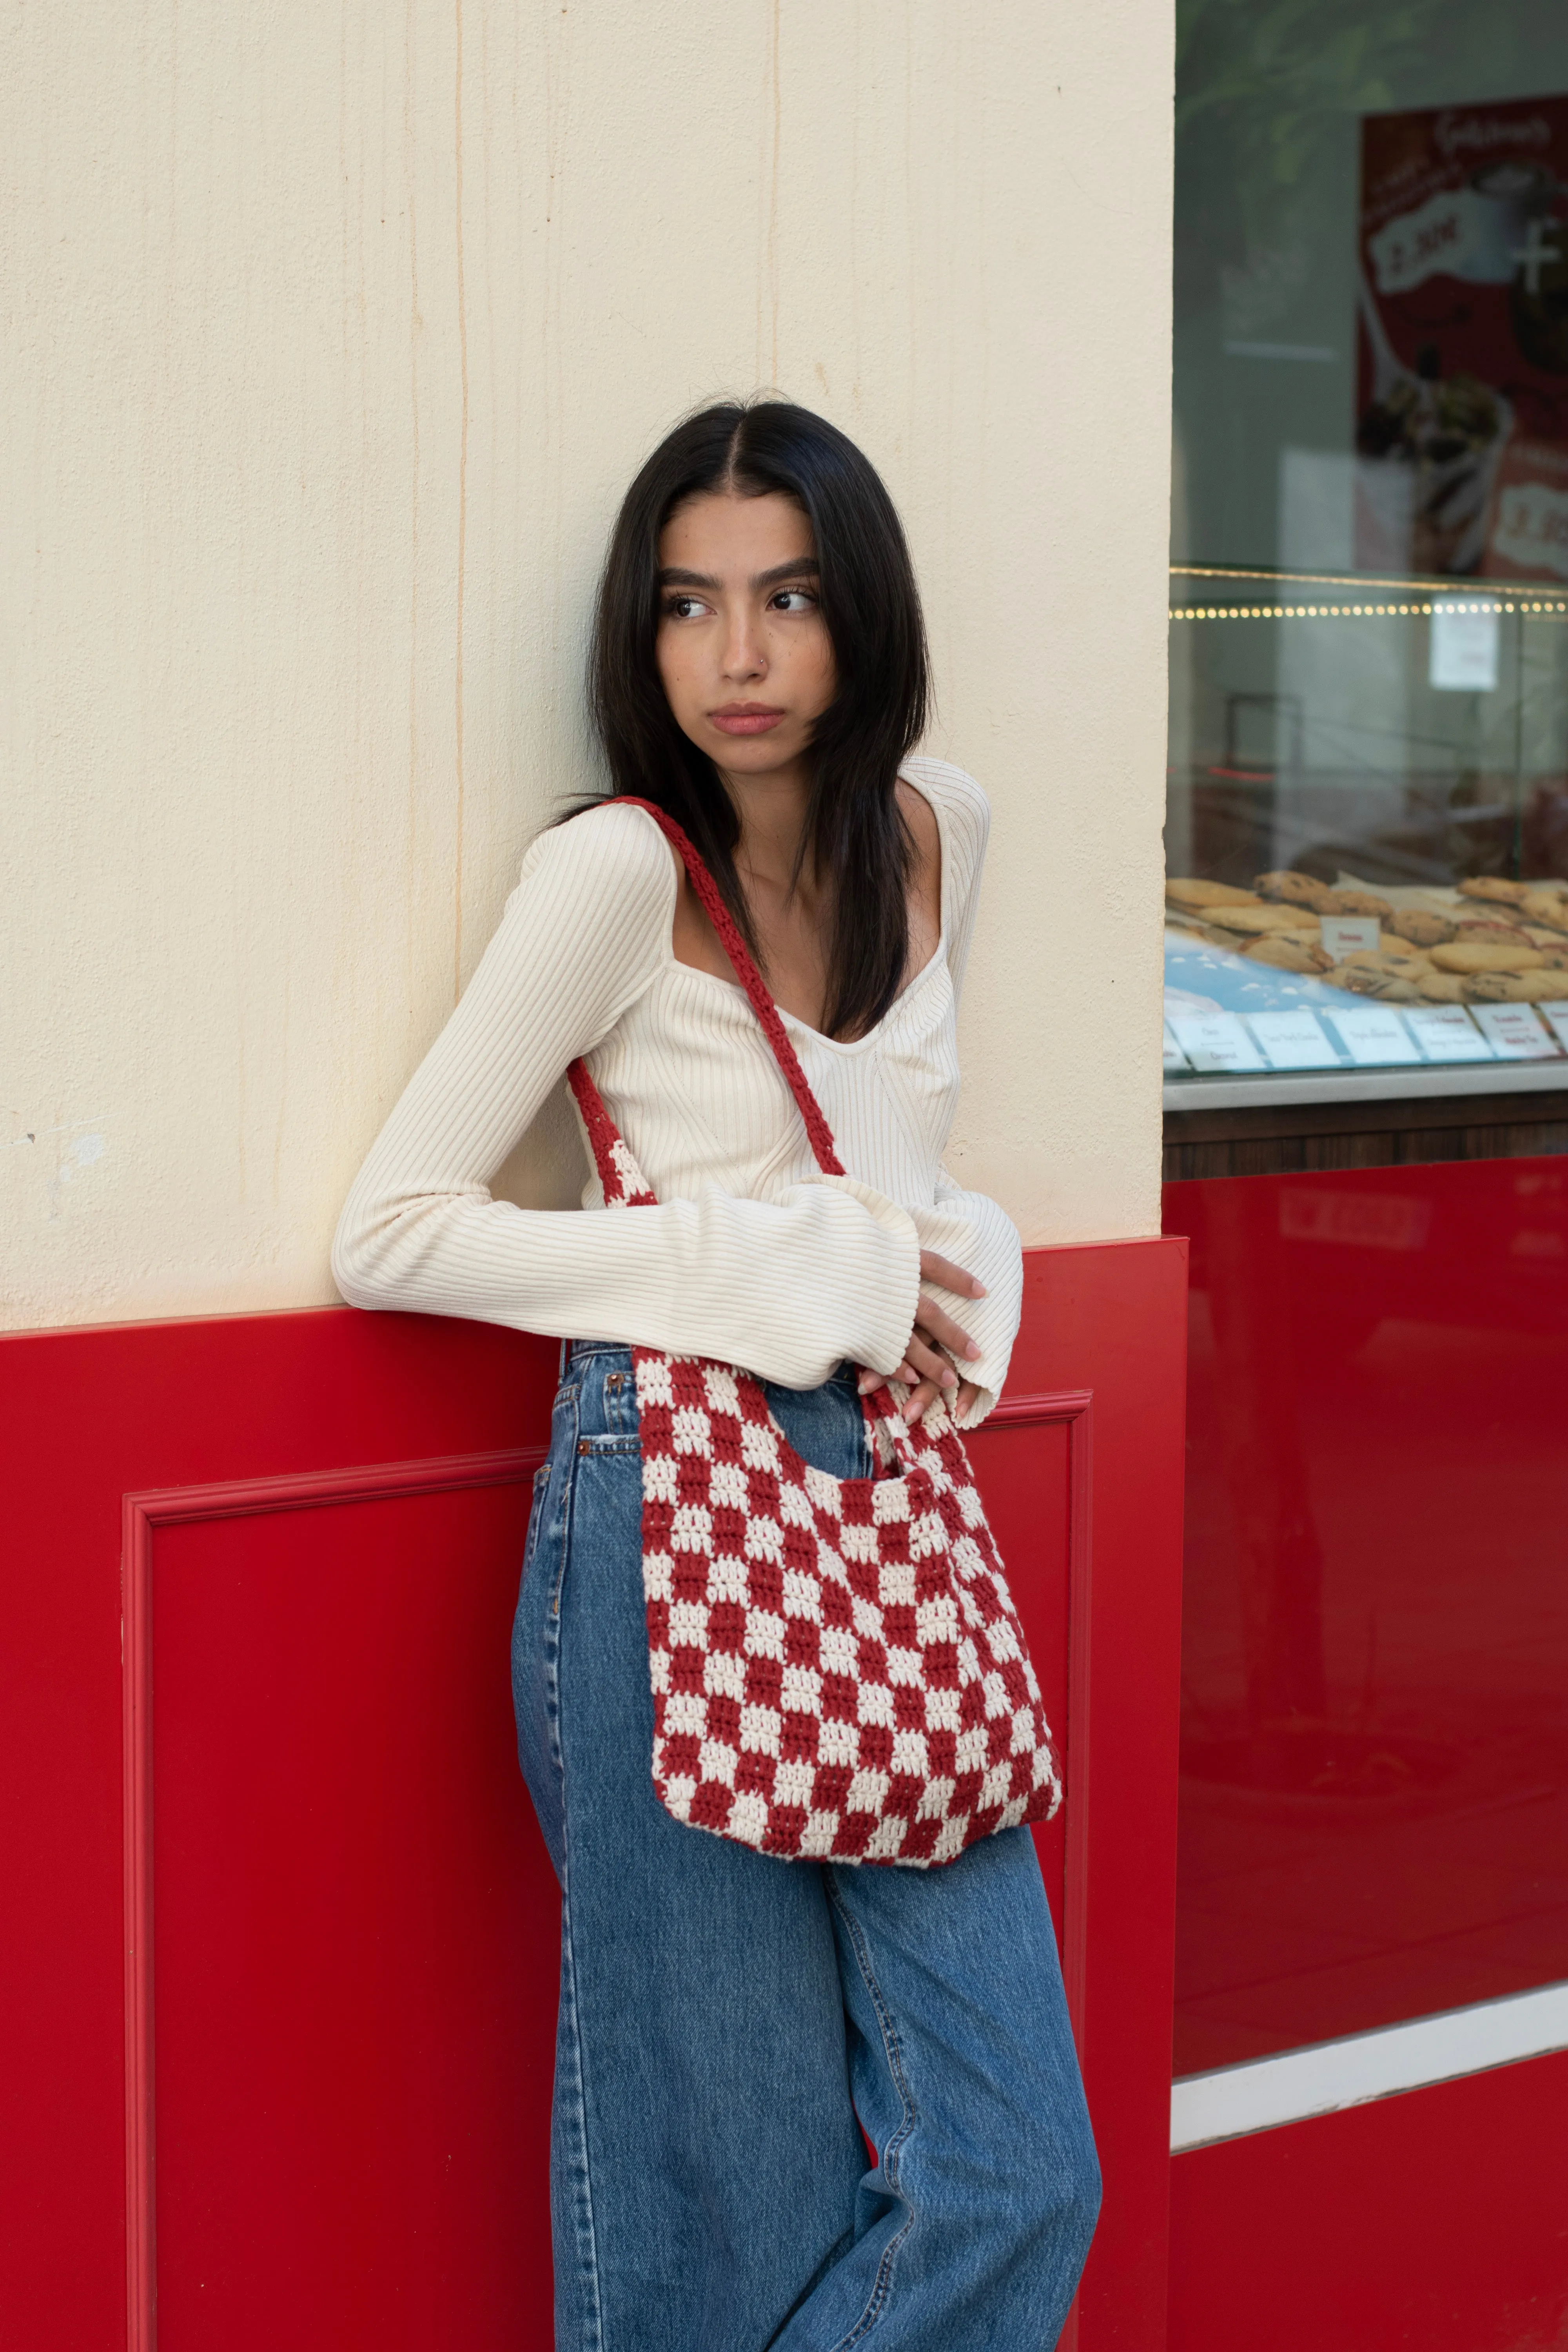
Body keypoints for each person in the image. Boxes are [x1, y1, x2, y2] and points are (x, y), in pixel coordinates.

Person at [333, 399, 1100, 2351]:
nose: (734, 660)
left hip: (891, 1505)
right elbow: (393, 1230)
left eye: (788, 599)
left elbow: (893, 1169)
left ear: (866, 621)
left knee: (1020, 2170)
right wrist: (771, 1264)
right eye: (686, 606)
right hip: (659, 1510)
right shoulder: (613, 872)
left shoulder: (946, 831)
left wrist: (922, 1261)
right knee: (720, 2213)